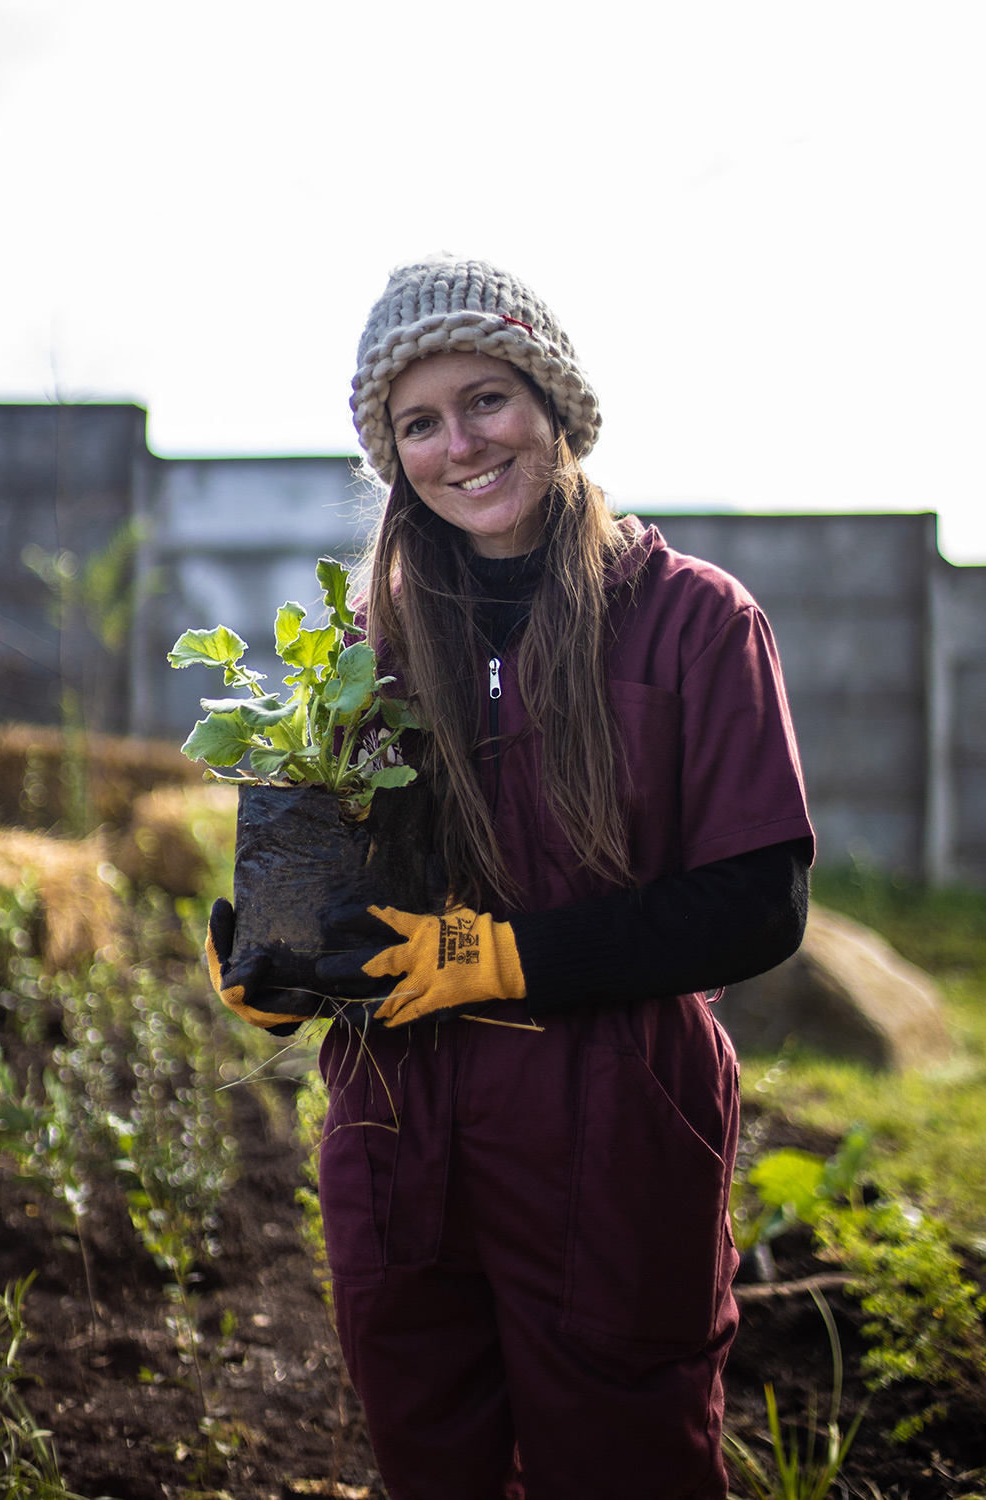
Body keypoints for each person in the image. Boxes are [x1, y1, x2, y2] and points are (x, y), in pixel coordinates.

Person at [207, 256, 814, 1500]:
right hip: (398, 1133)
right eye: (417, 424)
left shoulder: (692, 621)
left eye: (485, 399)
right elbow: (325, 899)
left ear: (551, 404)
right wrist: (272, 967)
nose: (458, 446)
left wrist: (505, 957)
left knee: (625, 1462)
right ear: (392, 458)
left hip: (609, 1125)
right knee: (430, 1460)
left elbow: (760, 901)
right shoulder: (359, 659)